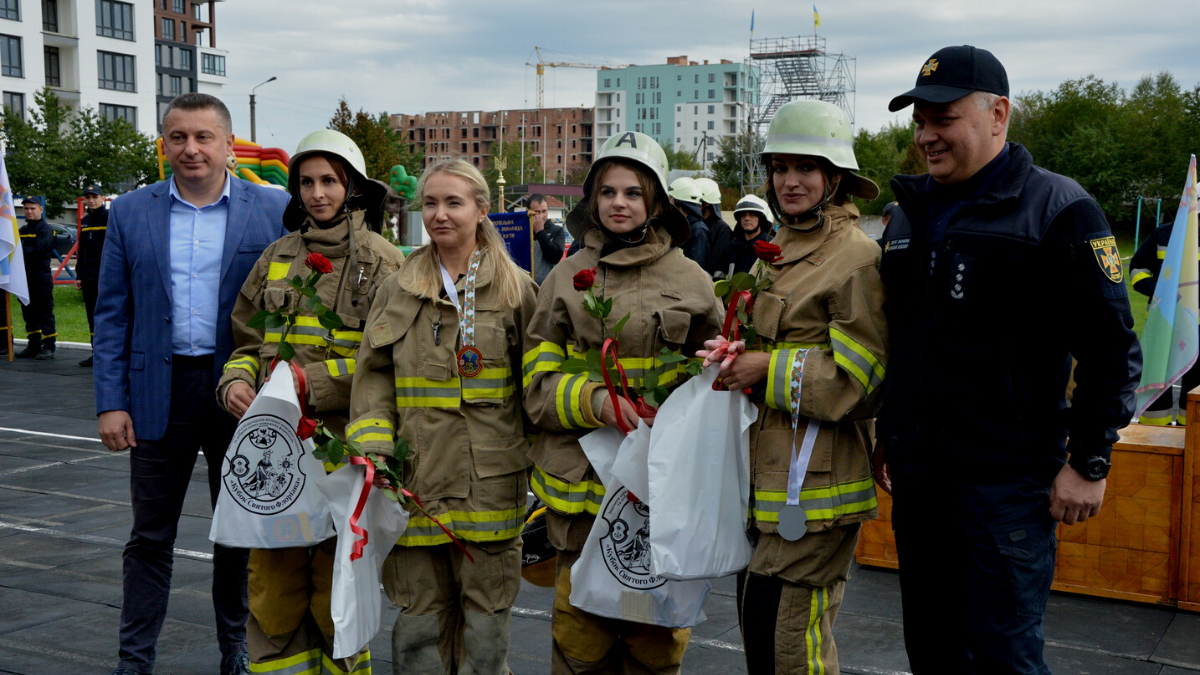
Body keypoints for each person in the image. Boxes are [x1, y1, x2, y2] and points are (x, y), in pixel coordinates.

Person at [877, 45, 1141, 673]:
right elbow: (907, 342)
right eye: (919, 120)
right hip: (921, 486)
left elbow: (1111, 348)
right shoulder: (908, 216)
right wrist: (891, 432)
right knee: (934, 656)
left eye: (943, 118)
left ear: (998, 114)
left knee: (1004, 661)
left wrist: (1091, 461)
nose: (926, 136)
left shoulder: (1060, 210)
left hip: (1006, 492)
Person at [93, 93, 289, 675]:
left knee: (237, 533)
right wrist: (111, 403)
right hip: (158, 394)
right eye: (178, 137)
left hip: (241, 392)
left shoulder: (273, 209)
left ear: (229, 146)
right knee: (149, 538)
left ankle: (237, 647)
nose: (191, 149)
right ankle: (135, 660)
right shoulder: (131, 212)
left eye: (204, 137)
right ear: (164, 145)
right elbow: (111, 315)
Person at [523, 131, 724, 675]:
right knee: (578, 641)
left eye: (633, 192)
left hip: (659, 495)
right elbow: (536, 384)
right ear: (592, 200)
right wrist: (595, 404)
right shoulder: (564, 279)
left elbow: (717, 382)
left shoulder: (693, 281)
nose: (619, 202)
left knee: (653, 643)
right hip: (581, 494)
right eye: (608, 191)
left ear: (656, 201)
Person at [698, 99, 887, 674]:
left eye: (805, 168)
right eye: (779, 168)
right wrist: (732, 353)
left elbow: (865, 378)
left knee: (788, 642)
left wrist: (765, 369)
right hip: (765, 481)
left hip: (820, 490)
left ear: (835, 178)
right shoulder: (776, 252)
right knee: (762, 632)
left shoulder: (855, 258)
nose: (789, 181)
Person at [217, 129, 405, 675]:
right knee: (272, 596)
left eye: (329, 180)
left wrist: (310, 382)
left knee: (335, 597)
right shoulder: (276, 257)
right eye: (307, 182)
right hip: (274, 455)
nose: (317, 193)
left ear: (352, 187)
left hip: (340, 454)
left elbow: (386, 365)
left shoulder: (385, 265)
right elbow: (248, 340)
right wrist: (235, 381)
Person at [348, 158, 538, 675]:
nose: (439, 214)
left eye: (454, 202)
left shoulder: (517, 290)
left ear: (481, 209)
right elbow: (372, 378)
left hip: (490, 486)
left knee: (486, 623)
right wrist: (375, 451)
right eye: (430, 203)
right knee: (418, 625)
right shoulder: (398, 289)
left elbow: (535, 390)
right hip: (416, 482)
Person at [1128, 220, 1195, 425]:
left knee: (1195, 386)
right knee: (1157, 379)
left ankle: (1191, 431)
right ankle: (1153, 432)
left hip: (1196, 329)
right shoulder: (1163, 235)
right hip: (1162, 324)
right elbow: (1137, 270)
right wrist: (1160, 290)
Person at [16, 196, 56, 360]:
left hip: (40, 277)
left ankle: (49, 345)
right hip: (24, 277)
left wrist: (20, 252)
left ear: (41, 209)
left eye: (32, 208)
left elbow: (39, 249)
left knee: (44, 312)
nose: (29, 211)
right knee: (28, 312)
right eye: (26, 208)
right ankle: (33, 344)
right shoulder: (23, 231)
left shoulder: (45, 230)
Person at [76, 184, 109, 367]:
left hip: (106, 276)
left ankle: (109, 353)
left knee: (108, 315)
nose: (91, 200)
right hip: (89, 277)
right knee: (92, 316)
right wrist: (79, 275)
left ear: (103, 198)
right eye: (88, 197)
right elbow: (82, 249)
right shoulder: (86, 220)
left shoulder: (110, 217)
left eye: (94, 197)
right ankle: (96, 352)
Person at [715, 194, 774, 278]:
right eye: (743, 215)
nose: (746, 218)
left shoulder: (771, 246)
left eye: (752, 215)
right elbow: (719, 277)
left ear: (761, 219)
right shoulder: (731, 247)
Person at [668, 176, 710, 270]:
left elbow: (696, 269)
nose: (669, 202)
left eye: (671, 198)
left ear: (678, 201)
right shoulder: (680, 226)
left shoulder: (698, 230)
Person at [695, 176, 732, 276]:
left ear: (706, 203)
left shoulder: (722, 230)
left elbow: (715, 267)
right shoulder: (694, 225)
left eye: (696, 200)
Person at [528, 192, 566, 285]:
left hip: (547, 287)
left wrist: (540, 232)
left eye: (544, 211)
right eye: (537, 212)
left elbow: (554, 257)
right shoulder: (523, 230)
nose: (541, 215)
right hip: (525, 286)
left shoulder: (557, 231)